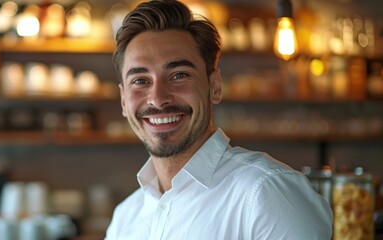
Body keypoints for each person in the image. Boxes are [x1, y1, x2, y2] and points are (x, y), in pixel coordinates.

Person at [105, 0, 333, 239]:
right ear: (123, 100)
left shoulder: (267, 193)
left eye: (179, 75)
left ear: (214, 87)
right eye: (140, 80)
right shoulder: (125, 217)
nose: (158, 99)